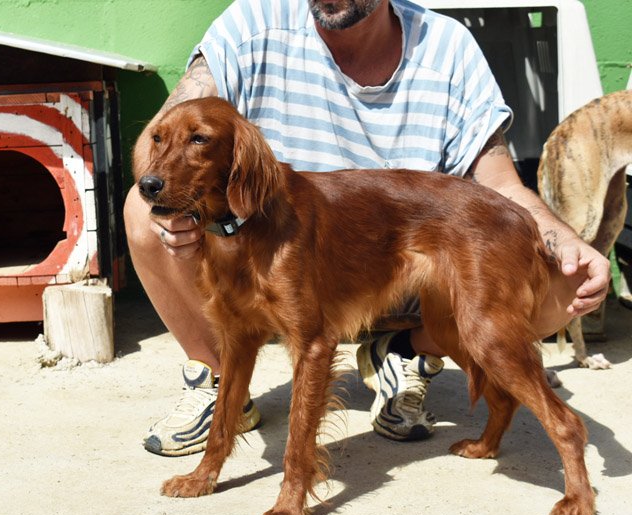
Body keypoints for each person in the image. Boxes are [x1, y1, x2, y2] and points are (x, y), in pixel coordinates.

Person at [125, 0, 611, 456]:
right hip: (280, 253)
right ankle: (218, 378)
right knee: (141, 211)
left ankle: (405, 350)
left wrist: (566, 240)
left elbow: (500, 184)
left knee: (563, 283)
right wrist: (178, 205)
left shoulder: (447, 47)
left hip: (407, 255)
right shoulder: (253, 21)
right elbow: (159, 138)